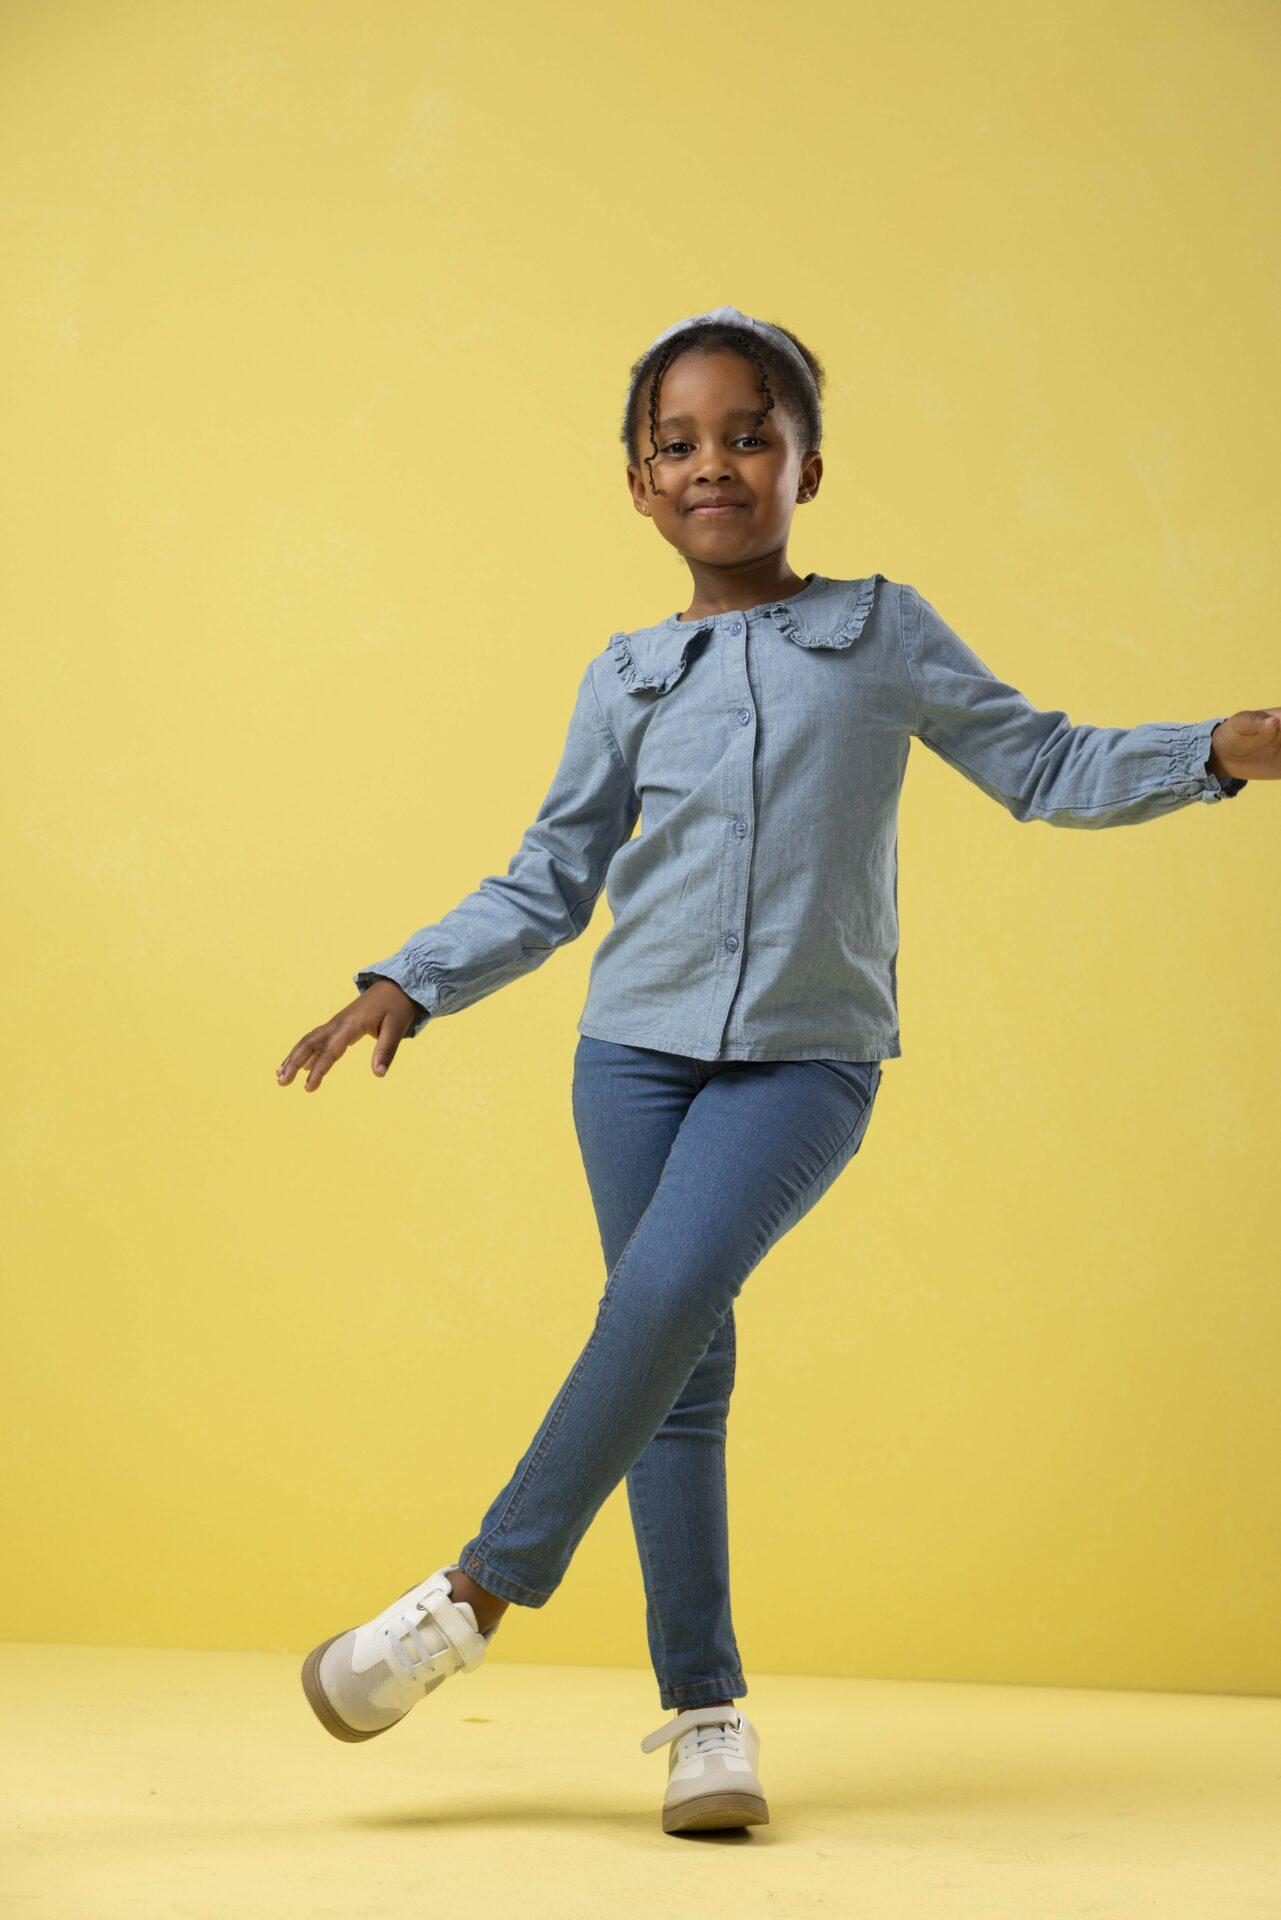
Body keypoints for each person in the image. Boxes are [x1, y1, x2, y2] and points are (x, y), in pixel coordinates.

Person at [278, 305, 1277, 1836]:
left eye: (749, 432)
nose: (713, 466)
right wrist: (408, 977)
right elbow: (550, 876)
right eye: (675, 443)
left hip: (806, 1065)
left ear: (809, 462)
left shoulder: (881, 632)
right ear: (634, 481)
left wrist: (1216, 747)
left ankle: (472, 1598)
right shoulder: (623, 674)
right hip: (629, 1059)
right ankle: (705, 1722)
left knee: (663, 1303)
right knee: (676, 1384)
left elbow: (1045, 763)